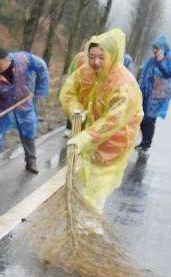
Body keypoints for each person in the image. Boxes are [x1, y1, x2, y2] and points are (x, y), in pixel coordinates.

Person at [59, 29, 143, 212]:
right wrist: (74, 109)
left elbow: (114, 120)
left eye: (101, 57)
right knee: (81, 184)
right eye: (92, 57)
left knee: (96, 193)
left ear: (112, 56)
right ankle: (79, 223)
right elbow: (69, 92)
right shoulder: (86, 72)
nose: (95, 62)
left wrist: (85, 137)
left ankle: (90, 229)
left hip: (114, 142)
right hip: (88, 138)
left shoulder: (124, 85)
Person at [0, 46, 51, 173]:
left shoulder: (23, 59)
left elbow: (42, 66)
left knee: (27, 129)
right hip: (2, 103)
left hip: (23, 100)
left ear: (7, 59)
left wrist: (39, 89)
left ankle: (31, 160)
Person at [136, 35, 171, 157]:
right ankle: (143, 142)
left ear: (163, 48)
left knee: (149, 119)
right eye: (154, 48)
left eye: (157, 48)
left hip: (158, 96)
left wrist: (160, 61)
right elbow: (145, 74)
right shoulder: (152, 60)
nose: (155, 51)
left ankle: (146, 144)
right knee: (141, 117)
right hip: (147, 93)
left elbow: (168, 73)